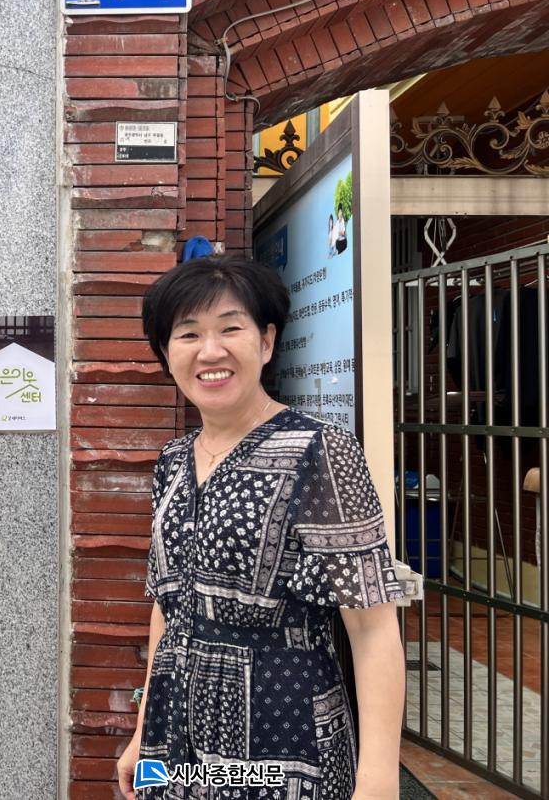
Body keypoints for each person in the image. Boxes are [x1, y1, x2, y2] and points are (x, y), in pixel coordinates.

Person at [117, 254, 405, 800]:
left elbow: (372, 628)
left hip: (282, 729)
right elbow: (168, 606)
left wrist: (378, 780)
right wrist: (140, 733)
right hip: (172, 735)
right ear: (166, 354)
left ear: (266, 342)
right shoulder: (173, 461)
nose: (210, 351)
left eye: (230, 329)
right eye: (188, 334)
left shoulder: (320, 451)